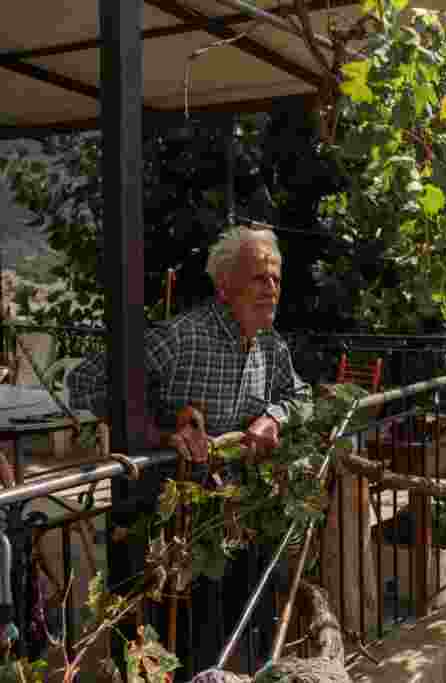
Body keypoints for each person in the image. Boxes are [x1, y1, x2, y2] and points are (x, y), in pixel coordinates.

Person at [67, 225, 314, 674]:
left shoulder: (270, 347)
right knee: (181, 649)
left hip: (240, 522)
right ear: (225, 285)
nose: (272, 289)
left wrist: (271, 418)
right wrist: (160, 429)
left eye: (276, 279)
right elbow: (82, 383)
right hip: (176, 534)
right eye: (260, 278)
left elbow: (303, 395)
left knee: (240, 636)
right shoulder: (182, 338)